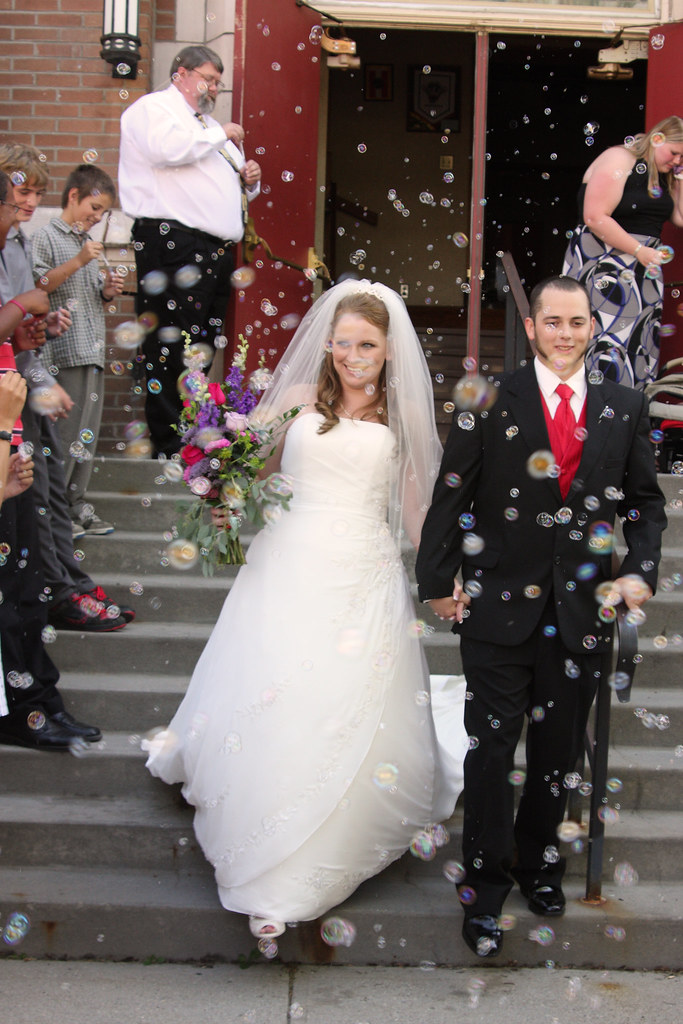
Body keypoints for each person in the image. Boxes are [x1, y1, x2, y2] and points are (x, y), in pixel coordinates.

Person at [146, 280, 467, 940]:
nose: (354, 356)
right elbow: (250, 471)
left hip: (360, 576)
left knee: (337, 701)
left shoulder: (400, 413)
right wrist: (218, 483)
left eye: (368, 345)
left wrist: (444, 578)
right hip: (285, 566)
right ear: (328, 343)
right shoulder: (295, 400)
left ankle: (318, 849)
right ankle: (260, 830)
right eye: (344, 342)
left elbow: (415, 508)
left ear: (388, 350)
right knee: (274, 693)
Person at [415, 275, 667, 958]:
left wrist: (639, 570)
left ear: (592, 329)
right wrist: (437, 580)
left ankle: (539, 865)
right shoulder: (489, 398)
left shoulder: (623, 406)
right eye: (551, 321)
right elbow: (452, 492)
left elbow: (644, 504)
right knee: (492, 753)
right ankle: (484, 891)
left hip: (581, 609)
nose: (564, 333)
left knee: (557, 754)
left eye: (576, 322)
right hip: (497, 608)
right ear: (531, 328)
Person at [0, 144, 133, 631]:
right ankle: (56, 590)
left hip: (37, 372)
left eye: (37, 192)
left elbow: (23, 327)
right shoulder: (42, 240)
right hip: (19, 387)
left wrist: (44, 326)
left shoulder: (18, 242)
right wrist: (30, 311)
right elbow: (29, 299)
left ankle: (70, 580)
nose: (30, 201)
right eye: (21, 191)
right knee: (37, 491)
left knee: (54, 484)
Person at [118, 44, 262, 459]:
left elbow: (228, 185)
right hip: (173, 242)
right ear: (180, 74)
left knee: (200, 345)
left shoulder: (207, 127)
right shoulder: (155, 110)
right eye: (208, 79)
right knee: (170, 341)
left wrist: (250, 179)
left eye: (218, 82)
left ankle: (191, 435)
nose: (214, 88)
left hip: (213, 249)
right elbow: (167, 150)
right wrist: (222, 135)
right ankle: (168, 444)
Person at [0, 169, 102, 750]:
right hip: (4, 425)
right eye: (17, 199)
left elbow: (12, 341)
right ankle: (25, 708)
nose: (25, 210)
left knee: (26, 572)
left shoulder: (14, 245)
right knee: (14, 578)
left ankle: (38, 700)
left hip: (14, 420)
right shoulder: (30, 245)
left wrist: (27, 337)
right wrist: (21, 306)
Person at [31, 163, 124, 537]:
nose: (97, 217)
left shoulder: (85, 243)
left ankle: (76, 505)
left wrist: (107, 291)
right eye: (94, 207)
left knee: (85, 438)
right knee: (65, 438)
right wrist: (79, 260)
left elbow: (86, 295)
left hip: (92, 350)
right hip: (63, 354)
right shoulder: (46, 237)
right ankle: (56, 513)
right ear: (73, 196)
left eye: (103, 212)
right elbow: (40, 285)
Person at [562, 115, 683, 390]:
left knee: (639, 344)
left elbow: (680, 217)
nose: (677, 160)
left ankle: (627, 410)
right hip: (604, 263)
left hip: (643, 268)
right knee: (602, 341)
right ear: (658, 139)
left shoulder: (663, 175)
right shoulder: (620, 158)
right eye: (674, 153)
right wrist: (638, 250)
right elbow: (594, 216)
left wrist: (679, 179)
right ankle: (592, 408)